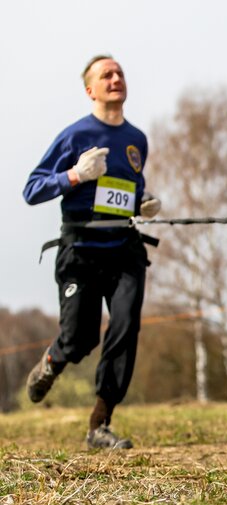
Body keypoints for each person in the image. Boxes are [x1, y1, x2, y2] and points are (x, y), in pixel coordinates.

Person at [23, 55, 161, 449]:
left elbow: (128, 193)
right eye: (106, 75)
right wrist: (74, 175)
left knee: (124, 326)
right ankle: (53, 361)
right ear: (90, 90)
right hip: (80, 252)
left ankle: (100, 423)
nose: (116, 78)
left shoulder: (137, 140)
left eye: (120, 73)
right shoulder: (74, 137)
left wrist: (143, 202)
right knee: (80, 338)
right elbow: (32, 190)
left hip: (124, 249)